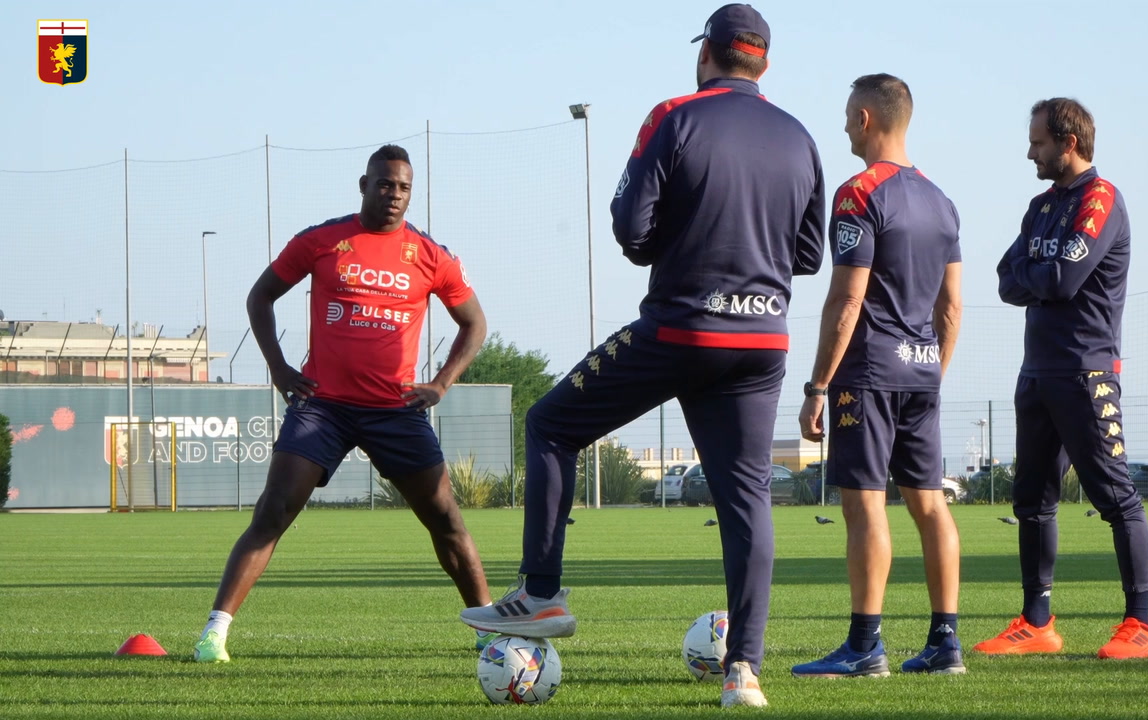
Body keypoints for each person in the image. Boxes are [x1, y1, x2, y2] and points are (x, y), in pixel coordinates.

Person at [461, 4, 824, 707]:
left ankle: (540, 595)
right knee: (747, 498)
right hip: (763, 340)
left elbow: (632, 229)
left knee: (551, 426)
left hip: (681, 329)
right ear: (765, 63)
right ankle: (744, 672)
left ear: (708, 53)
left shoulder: (675, 114)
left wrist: (680, 248)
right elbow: (806, 254)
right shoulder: (800, 137)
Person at [194, 144, 494, 663]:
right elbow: (259, 296)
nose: (393, 195)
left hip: (395, 409)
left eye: (402, 187)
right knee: (273, 512)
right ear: (364, 184)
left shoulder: (429, 255)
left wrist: (442, 383)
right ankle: (214, 634)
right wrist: (279, 368)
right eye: (384, 184)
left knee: (445, 517)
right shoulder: (321, 241)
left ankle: (489, 630)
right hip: (323, 407)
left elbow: (474, 323)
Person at [789, 75, 965, 679]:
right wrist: (931, 372)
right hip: (921, 371)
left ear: (866, 118)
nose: (841, 127)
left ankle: (865, 647)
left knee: (864, 506)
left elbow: (847, 299)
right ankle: (946, 644)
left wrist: (817, 387)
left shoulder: (857, 193)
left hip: (867, 372)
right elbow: (952, 307)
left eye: (845, 116)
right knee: (931, 505)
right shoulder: (942, 200)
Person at [979, 98, 1148, 659]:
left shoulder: (1102, 200)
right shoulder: (1041, 206)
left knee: (1115, 498)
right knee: (1031, 500)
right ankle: (1037, 624)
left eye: (1037, 142)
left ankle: (1142, 625)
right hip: (1036, 373)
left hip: (1086, 373)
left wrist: (1038, 274)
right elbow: (1004, 278)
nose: (1029, 151)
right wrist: (1041, 274)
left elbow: (1060, 280)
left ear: (1069, 142)